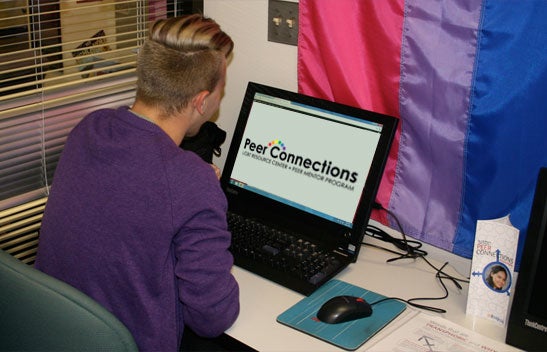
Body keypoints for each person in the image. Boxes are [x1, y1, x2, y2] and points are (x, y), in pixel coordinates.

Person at [35, 14, 239, 351]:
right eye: (222, 89)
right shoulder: (189, 179)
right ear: (202, 101)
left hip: (58, 333)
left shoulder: (91, 128)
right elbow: (213, 318)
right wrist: (203, 194)